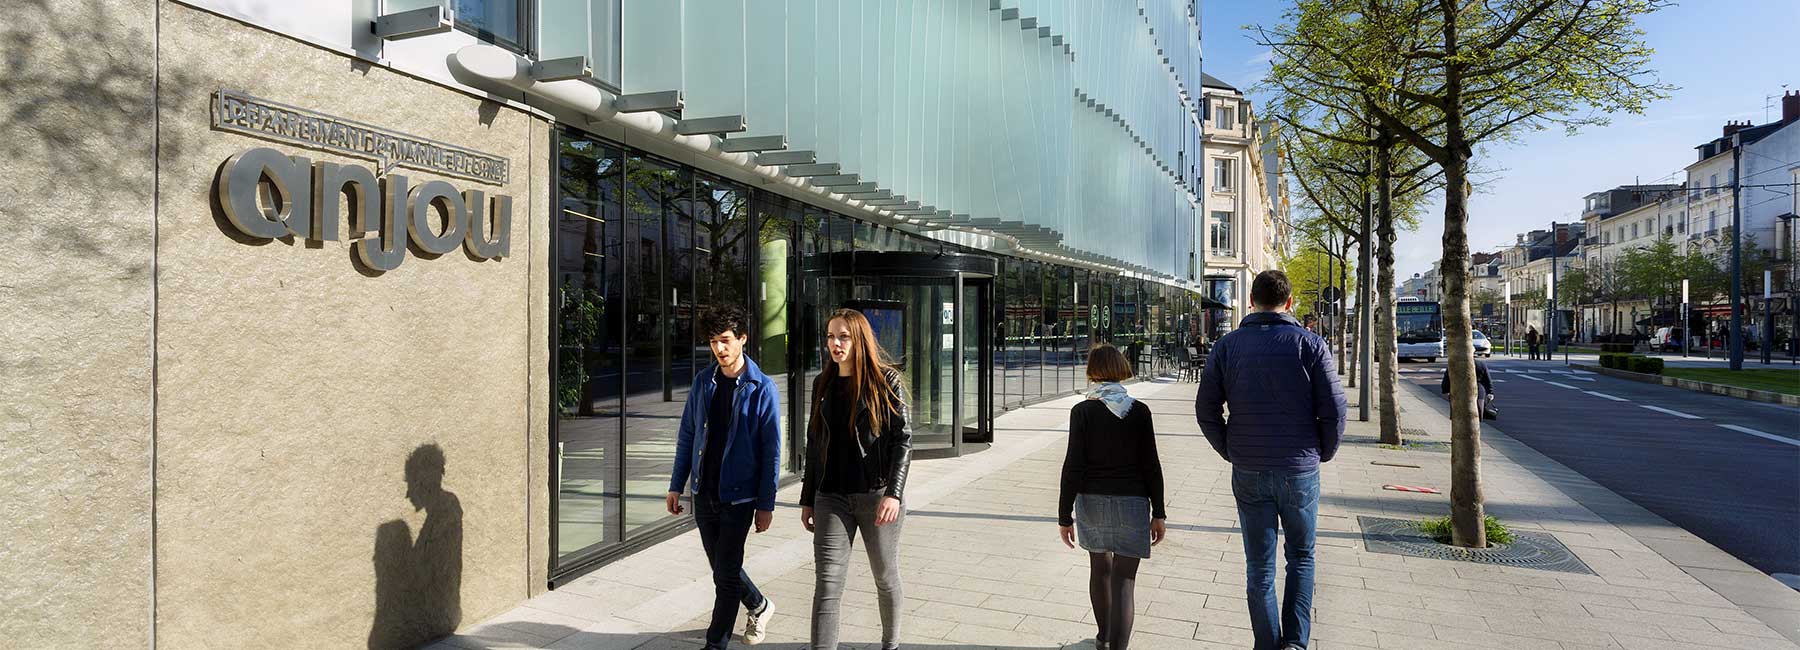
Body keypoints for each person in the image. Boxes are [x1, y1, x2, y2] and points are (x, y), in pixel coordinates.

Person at [1195, 270, 1346, 650]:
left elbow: (1206, 408)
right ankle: (1295, 643)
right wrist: (1324, 450)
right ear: (1290, 302)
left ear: (1251, 301)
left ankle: (1267, 644)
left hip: (1248, 467)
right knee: (1301, 556)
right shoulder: (1310, 344)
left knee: (1259, 566)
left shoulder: (1227, 346)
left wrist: (1228, 447)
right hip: (1299, 468)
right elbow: (1334, 408)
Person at [667, 305, 782, 648]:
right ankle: (760, 606)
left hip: (740, 497)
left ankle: (715, 643)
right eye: (714, 341)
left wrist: (766, 504)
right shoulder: (705, 382)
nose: (720, 348)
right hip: (705, 493)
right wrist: (677, 484)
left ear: (742, 339)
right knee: (722, 568)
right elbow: (688, 434)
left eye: (727, 340)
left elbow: (771, 451)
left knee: (726, 576)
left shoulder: (762, 388)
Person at [799, 308, 914, 650]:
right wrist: (807, 498)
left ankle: (890, 645)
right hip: (831, 496)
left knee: (884, 575)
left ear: (859, 339)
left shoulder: (886, 381)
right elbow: (814, 443)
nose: (835, 343)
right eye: (830, 336)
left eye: (843, 337)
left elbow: (903, 439)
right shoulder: (823, 383)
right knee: (828, 585)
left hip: (876, 496)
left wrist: (893, 494)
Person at [1059, 343, 1167, 650]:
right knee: (1124, 580)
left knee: (1099, 568)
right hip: (1133, 501)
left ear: (1092, 371)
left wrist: (1064, 516)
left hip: (1091, 501)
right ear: (1121, 368)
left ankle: (1103, 637)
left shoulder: (1082, 411)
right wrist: (1158, 513)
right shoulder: (1139, 412)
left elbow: (1073, 465)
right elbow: (1151, 465)